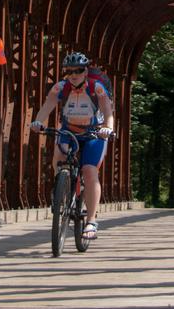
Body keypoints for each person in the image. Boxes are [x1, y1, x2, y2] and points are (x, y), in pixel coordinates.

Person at [30, 50, 114, 240]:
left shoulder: (96, 88)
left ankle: (91, 221)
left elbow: (108, 112)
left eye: (78, 70)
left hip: (94, 132)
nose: (74, 75)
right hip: (69, 130)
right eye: (69, 71)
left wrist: (108, 128)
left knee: (89, 171)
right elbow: (47, 106)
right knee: (59, 158)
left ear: (86, 71)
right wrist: (38, 122)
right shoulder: (60, 88)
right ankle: (61, 189)